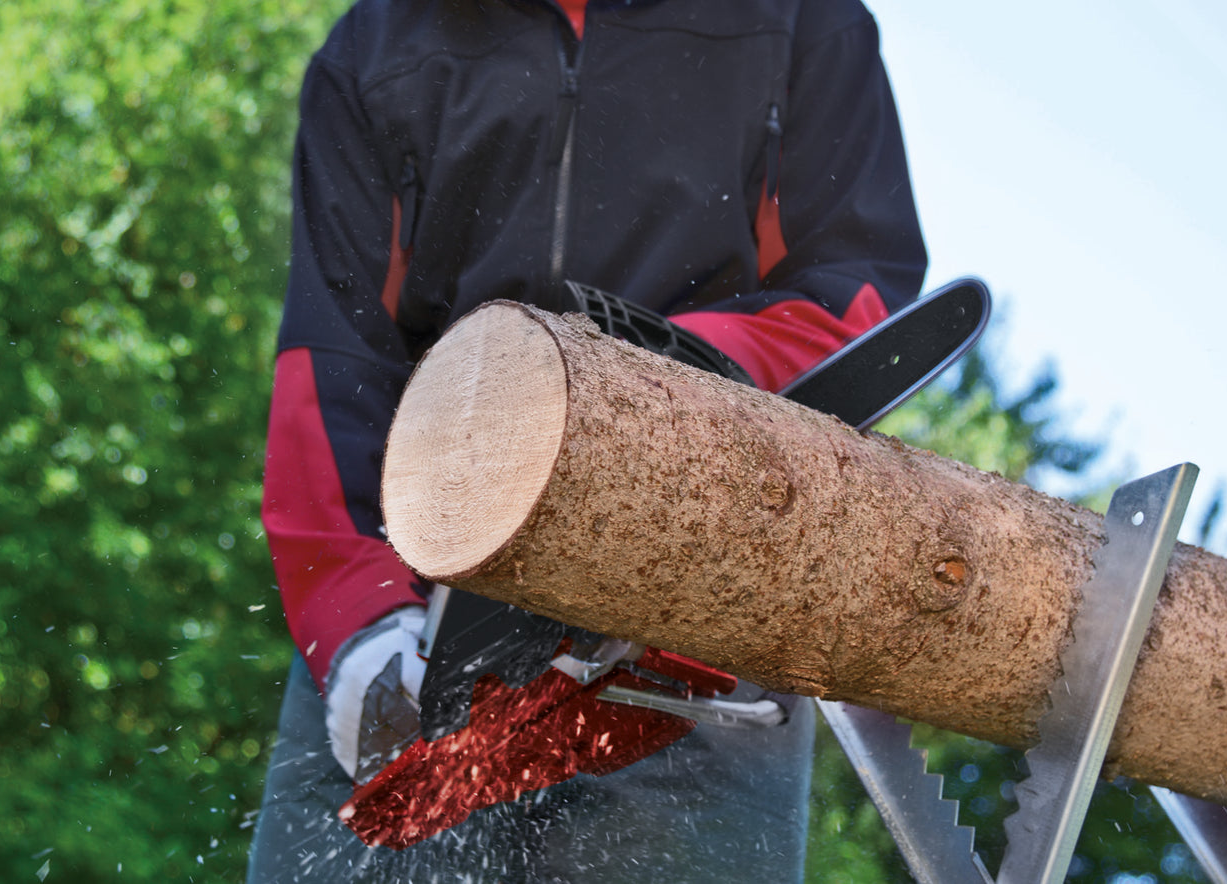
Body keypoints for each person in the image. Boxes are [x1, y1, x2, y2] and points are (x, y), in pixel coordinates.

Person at [249, 0, 927, 880]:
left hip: (698, 637)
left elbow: (854, 304)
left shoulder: (801, 21)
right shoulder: (379, 44)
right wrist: (357, 628)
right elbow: (329, 361)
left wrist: (628, 389)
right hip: (425, 615)